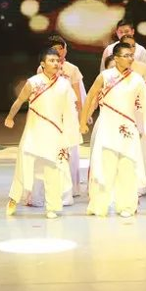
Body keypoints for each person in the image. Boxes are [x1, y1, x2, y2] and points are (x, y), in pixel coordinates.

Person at [80, 42, 146, 217]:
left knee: (127, 168)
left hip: (128, 128)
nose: (130, 59)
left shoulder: (137, 79)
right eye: (126, 56)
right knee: (104, 168)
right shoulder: (105, 76)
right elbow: (90, 97)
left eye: (131, 55)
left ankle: (127, 206)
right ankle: (99, 206)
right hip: (107, 126)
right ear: (116, 58)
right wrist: (82, 122)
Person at [4, 48, 81, 219]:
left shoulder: (64, 84)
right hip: (34, 131)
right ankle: (14, 198)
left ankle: (52, 206)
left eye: (57, 61)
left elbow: (70, 111)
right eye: (51, 60)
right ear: (42, 64)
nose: (56, 63)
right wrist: (10, 117)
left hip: (54, 132)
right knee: (24, 165)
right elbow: (19, 101)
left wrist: (71, 133)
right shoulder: (33, 82)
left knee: (53, 168)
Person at [34, 35, 85, 198]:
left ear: (65, 50)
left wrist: (82, 117)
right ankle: (53, 186)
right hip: (51, 114)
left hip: (68, 114)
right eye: (54, 49)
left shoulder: (72, 69)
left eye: (61, 48)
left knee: (71, 151)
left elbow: (78, 96)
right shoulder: (42, 68)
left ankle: (72, 188)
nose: (58, 52)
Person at [119, 34, 146, 196]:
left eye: (134, 46)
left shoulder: (142, 68)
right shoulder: (114, 67)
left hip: (140, 113)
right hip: (121, 113)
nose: (132, 49)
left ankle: (141, 185)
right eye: (128, 46)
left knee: (142, 149)